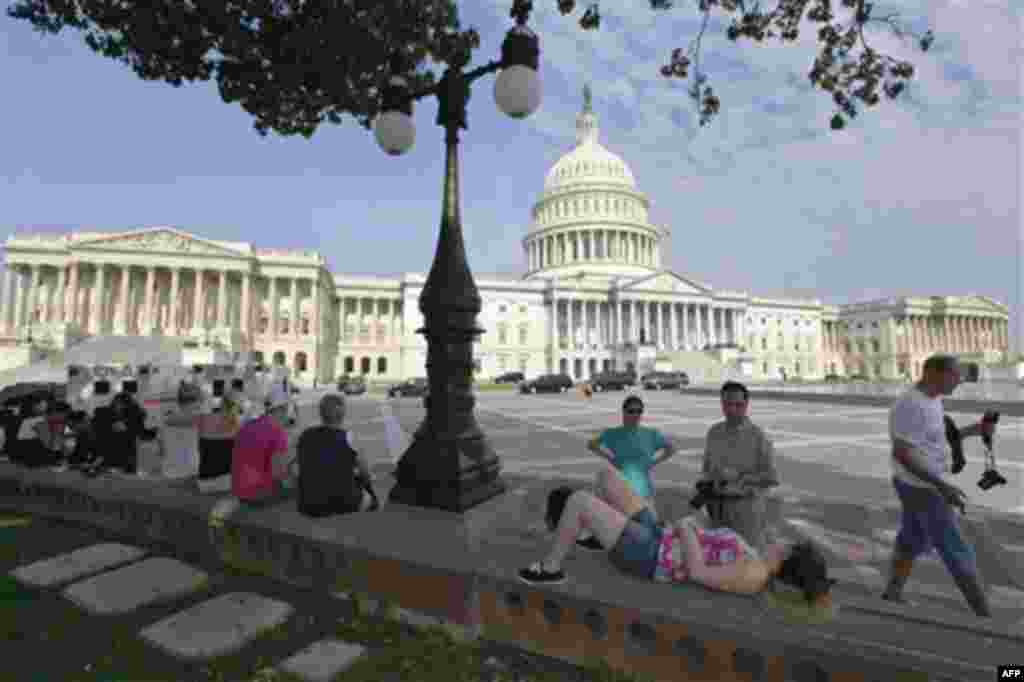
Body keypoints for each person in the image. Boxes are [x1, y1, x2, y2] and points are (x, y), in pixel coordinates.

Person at [518, 463, 835, 608]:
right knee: (606, 475)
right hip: (660, 539)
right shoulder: (755, 562)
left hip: (648, 555)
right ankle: (592, 536)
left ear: (786, 557)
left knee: (578, 501)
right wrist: (696, 523)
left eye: (787, 544)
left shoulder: (753, 573)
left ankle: (550, 569)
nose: (781, 539)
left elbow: (697, 572)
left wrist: (686, 528)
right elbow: (710, 550)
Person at [881, 354, 996, 617]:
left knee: (911, 539)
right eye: (954, 376)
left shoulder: (933, 400)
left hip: (920, 484)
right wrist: (941, 486)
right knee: (955, 547)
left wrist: (974, 430)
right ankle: (985, 615)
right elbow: (903, 452)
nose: (959, 381)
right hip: (922, 488)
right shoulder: (910, 405)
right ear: (934, 373)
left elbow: (935, 440)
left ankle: (892, 593)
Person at [584, 396, 676, 549]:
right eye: (631, 411)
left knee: (652, 534)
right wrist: (609, 458)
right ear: (623, 412)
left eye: (639, 411)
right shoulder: (612, 434)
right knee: (621, 531)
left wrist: (654, 462)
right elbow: (591, 444)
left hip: (644, 491)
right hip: (620, 489)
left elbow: (671, 449)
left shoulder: (651, 434)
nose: (635, 415)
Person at [700, 381, 779, 553]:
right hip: (717, 511)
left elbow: (772, 477)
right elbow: (706, 470)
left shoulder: (758, 437)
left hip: (746, 513)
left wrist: (740, 476)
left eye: (738, 405)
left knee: (747, 565)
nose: (732, 410)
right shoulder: (714, 433)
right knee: (718, 561)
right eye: (727, 404)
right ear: (721, 404)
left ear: (746, 404)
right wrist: (706, 484)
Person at [296, 394, 378, 517]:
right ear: (342, 415)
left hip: (308, 504)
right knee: (369, 495)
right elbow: (365, 471)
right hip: (343, 503)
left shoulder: (306, 435)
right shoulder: (349, 437)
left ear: (321, 413)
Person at [231, 385, 293, 507]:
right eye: (287, 410)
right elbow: (278, 472)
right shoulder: (277, 432)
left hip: (238, 490)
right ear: (281, 410)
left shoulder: (247, 426)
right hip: (259, 494)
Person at [92, 392, 146, 473]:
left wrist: (127, 429)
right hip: (109, 458)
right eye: (117, 404)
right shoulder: (104, 415)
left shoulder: (134, 417)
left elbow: (139, 434)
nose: (119, 407)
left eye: (122, 405)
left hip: (127, 458)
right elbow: (100, 437)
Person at [161, 382, 203, 480]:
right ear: (196, 401)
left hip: (169, 473)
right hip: (191, 473)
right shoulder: (198, 420)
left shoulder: (166, 419)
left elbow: (161, 450)